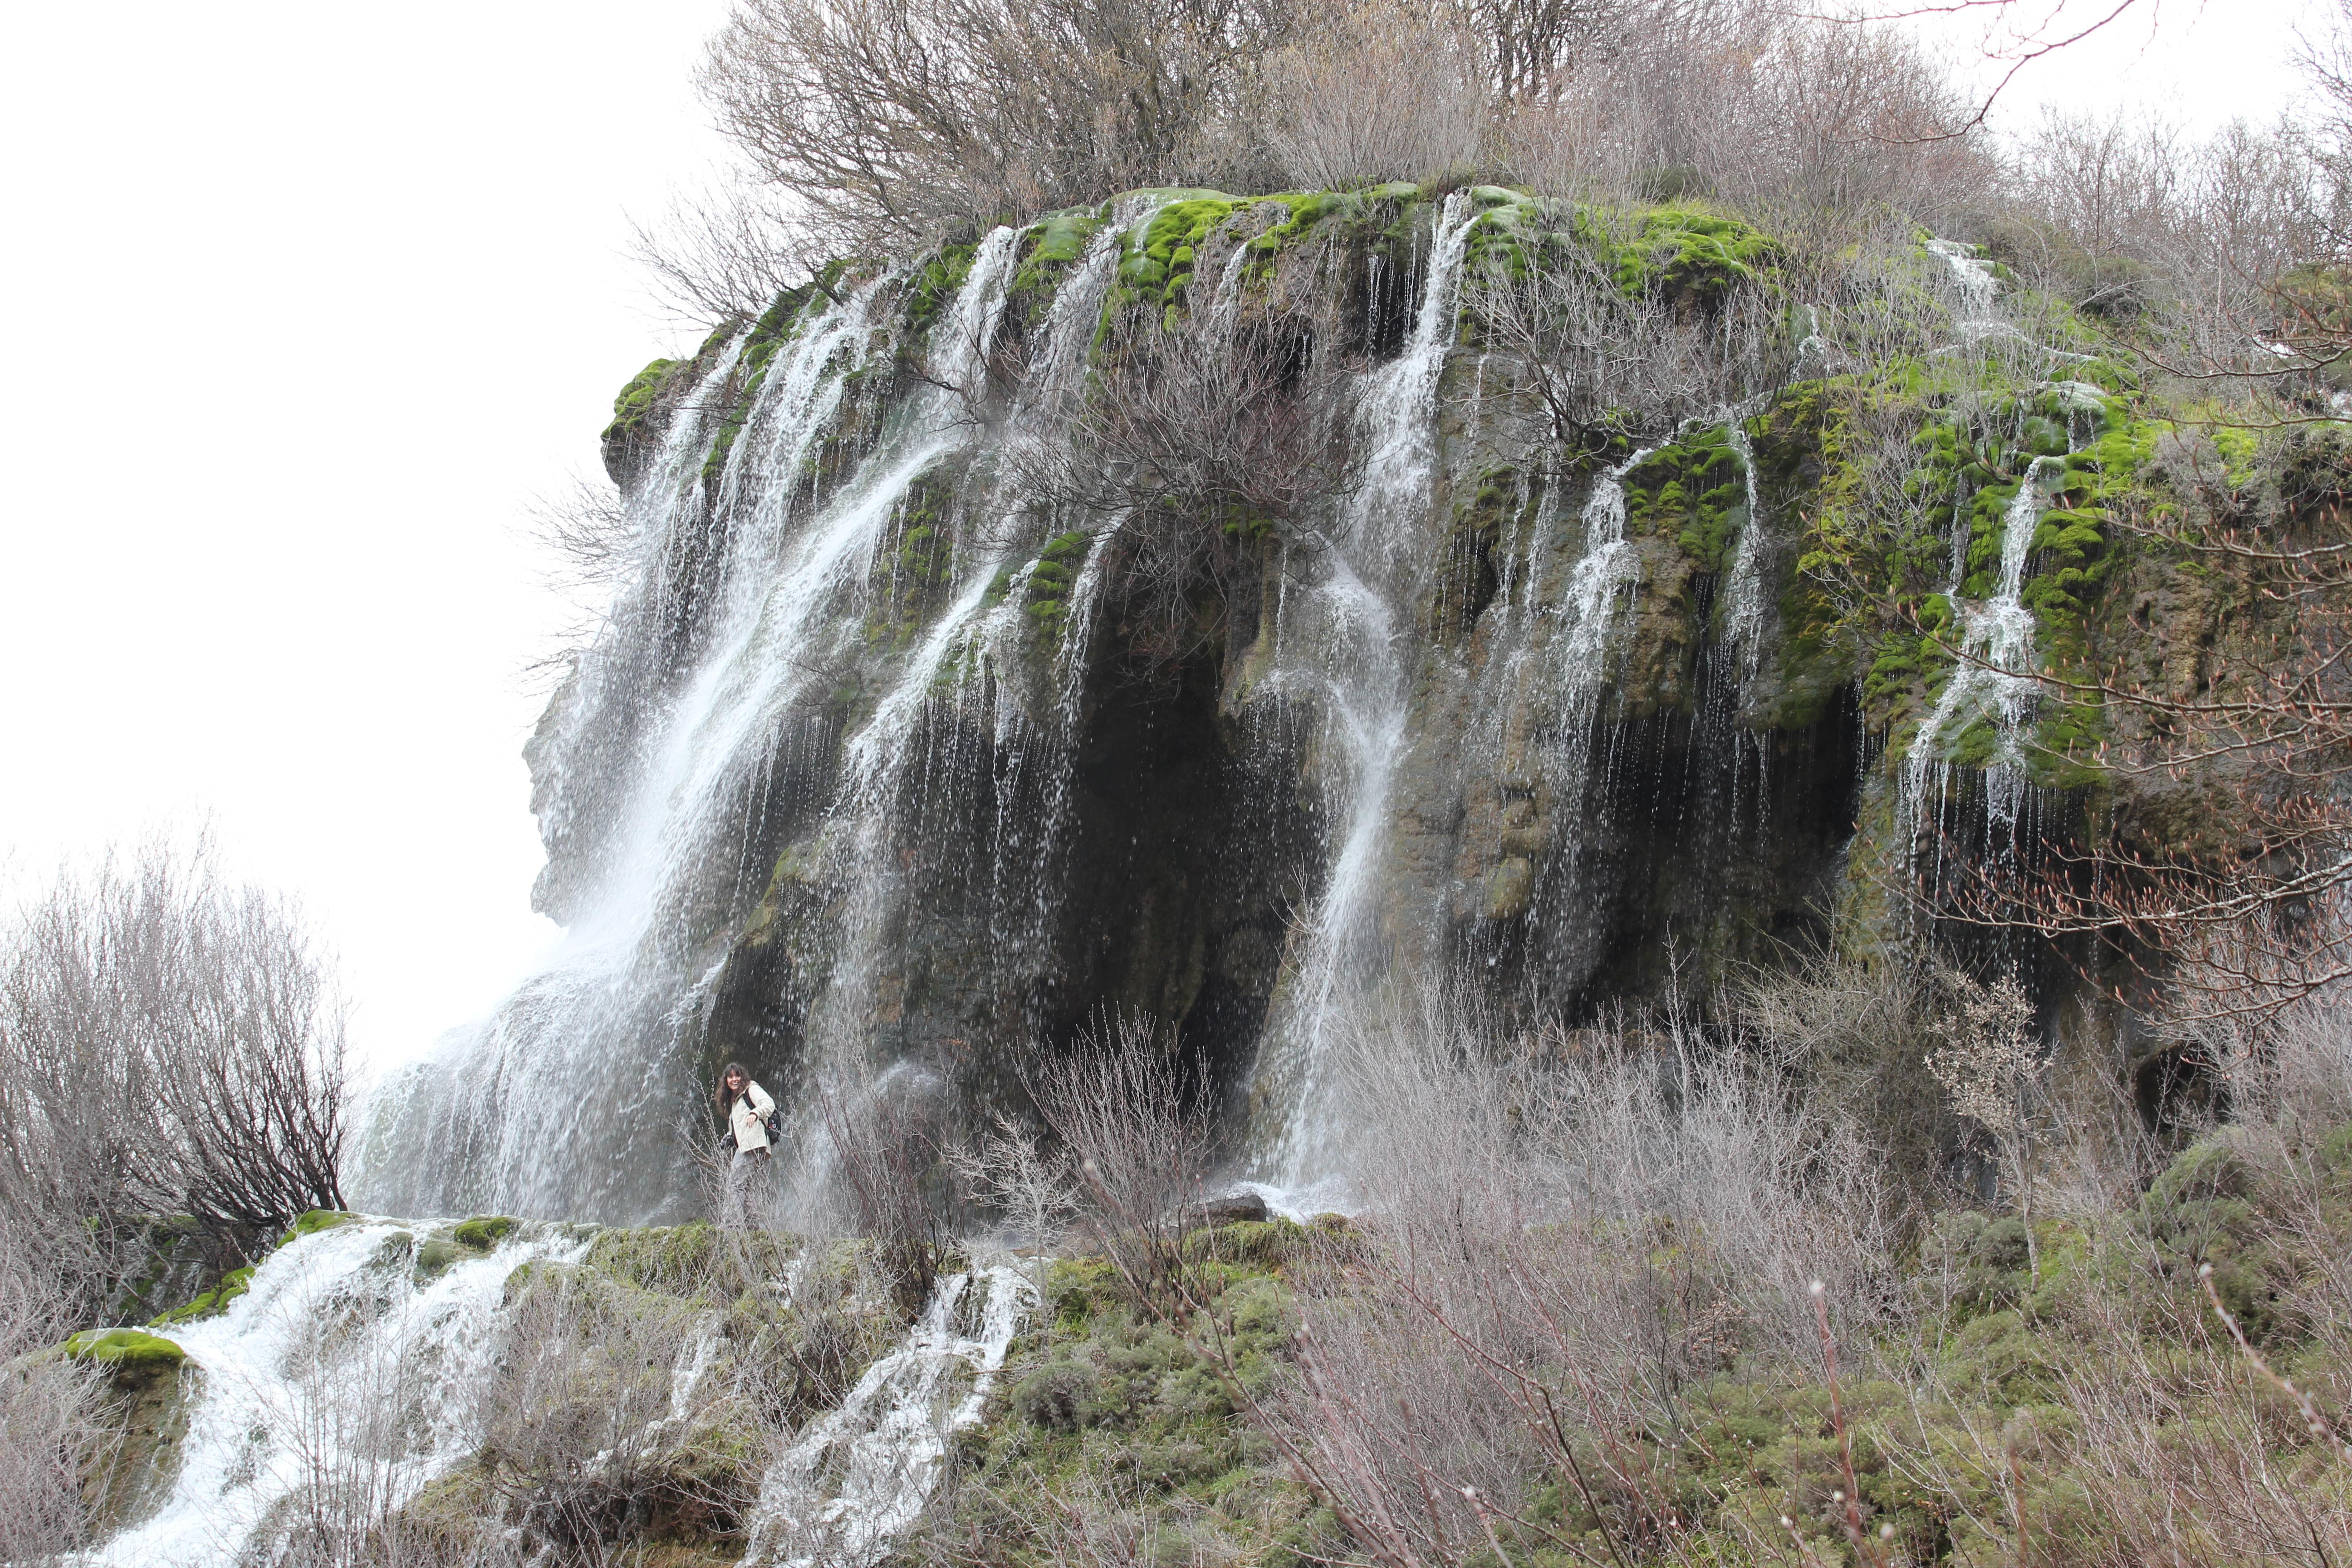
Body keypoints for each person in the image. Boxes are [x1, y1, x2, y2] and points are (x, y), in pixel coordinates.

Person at [717, 1061, 777, 1229]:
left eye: (737, 1076)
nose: (734, 1079)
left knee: (735, 1184)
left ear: (743, 1077)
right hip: (749, 1145)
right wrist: (728, 1138)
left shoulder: (751, 1089)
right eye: (731, 1077)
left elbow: (769, 1104)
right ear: (726, 1080)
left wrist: (755, 1113)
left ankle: (731, 1226)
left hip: (753, 1144)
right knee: (746, 1187)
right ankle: (752, 1228)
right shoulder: (736, 1099)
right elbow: (738, 1126)